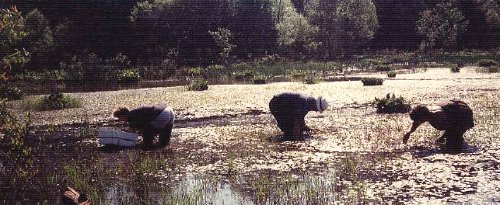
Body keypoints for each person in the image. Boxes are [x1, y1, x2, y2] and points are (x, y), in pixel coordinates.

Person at [403, 99, 474, 152]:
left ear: (424, 117)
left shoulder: (438, 115)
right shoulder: (424, 113)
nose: (417, 122)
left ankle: (465, 149)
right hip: (453, 110)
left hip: (463, 113)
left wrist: (441, 138)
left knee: (452, 145)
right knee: (448, 141)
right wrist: (409, 133)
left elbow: (451, 128)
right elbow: (416, 123)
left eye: (419, 120)